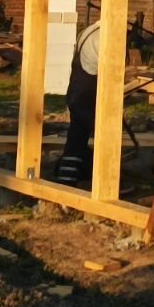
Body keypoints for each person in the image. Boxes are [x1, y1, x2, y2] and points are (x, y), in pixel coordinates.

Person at [55, 21, 102, 185]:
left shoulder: (89, 30)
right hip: (87, 94)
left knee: (77, 137)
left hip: (76, 92)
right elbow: (111, 70)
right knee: (105, 137)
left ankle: (66, 179)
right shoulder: (104, 35)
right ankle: (105, 182)